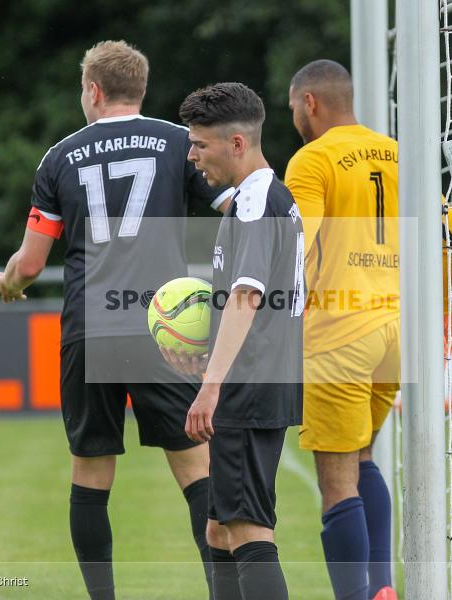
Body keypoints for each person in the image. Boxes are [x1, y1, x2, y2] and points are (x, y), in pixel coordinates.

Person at [0, 40, 233, 600]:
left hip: (90, 330)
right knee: (197, 471)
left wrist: (9, 283)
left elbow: (31, 263)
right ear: (141, 88)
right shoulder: (178, 143)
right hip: (164, 330)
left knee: (91, 476)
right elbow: (238, 209)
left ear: (93, 90)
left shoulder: (59, 157)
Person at [284, 59, 452, 600]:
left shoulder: (312, 159)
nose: (294, 116)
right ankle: (383, 588)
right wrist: (429, 314)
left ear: (310, 103)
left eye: (293, 106)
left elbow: (295, 249)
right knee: (363, 454)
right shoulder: (399, 153)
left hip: (339, 331)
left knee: (336, 478)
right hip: (399, 333)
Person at [164, 82, 304, 600]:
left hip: (249, 385)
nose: (192, 156)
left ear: (237, 143)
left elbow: (247, 298)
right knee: (219, 530)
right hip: (255, 377)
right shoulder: (257, 198)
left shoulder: (256, 203)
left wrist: (211, 385)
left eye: (200, 145)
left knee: (248, 531)